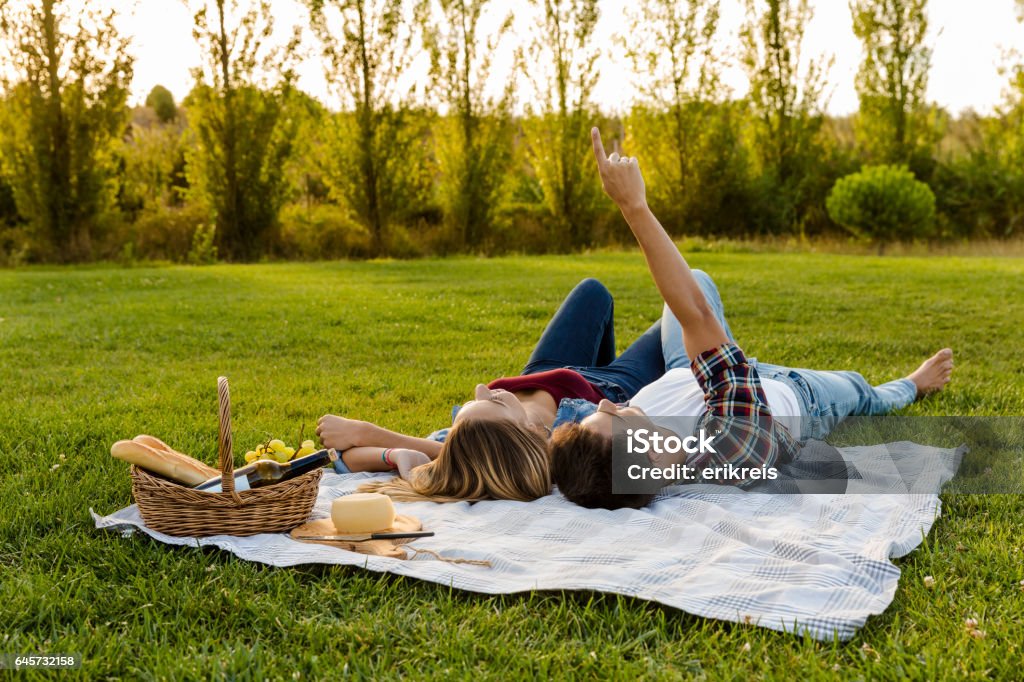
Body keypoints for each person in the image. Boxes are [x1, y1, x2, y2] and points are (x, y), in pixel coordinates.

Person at [548, 128, 954, 510]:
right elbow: (698, 314)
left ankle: (726, 364)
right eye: (611, 416)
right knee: (863, 391)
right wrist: (633, 205)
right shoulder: (731, 447)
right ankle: (913, 384)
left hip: (688, 371)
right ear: (652, 457)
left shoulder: (619, 454)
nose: (604, 403)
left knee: (699, 281)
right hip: (798, 396)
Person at [316, 277, 666, 502]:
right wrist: (369, 432)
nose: (482, 387)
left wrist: (390, 452)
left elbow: (347, 461)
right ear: (527, 434)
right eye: (496, 402)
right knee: (675, 317)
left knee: (593, 291)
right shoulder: (562, 449)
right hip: (611, 388)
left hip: (545, 372)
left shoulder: (470, 440)